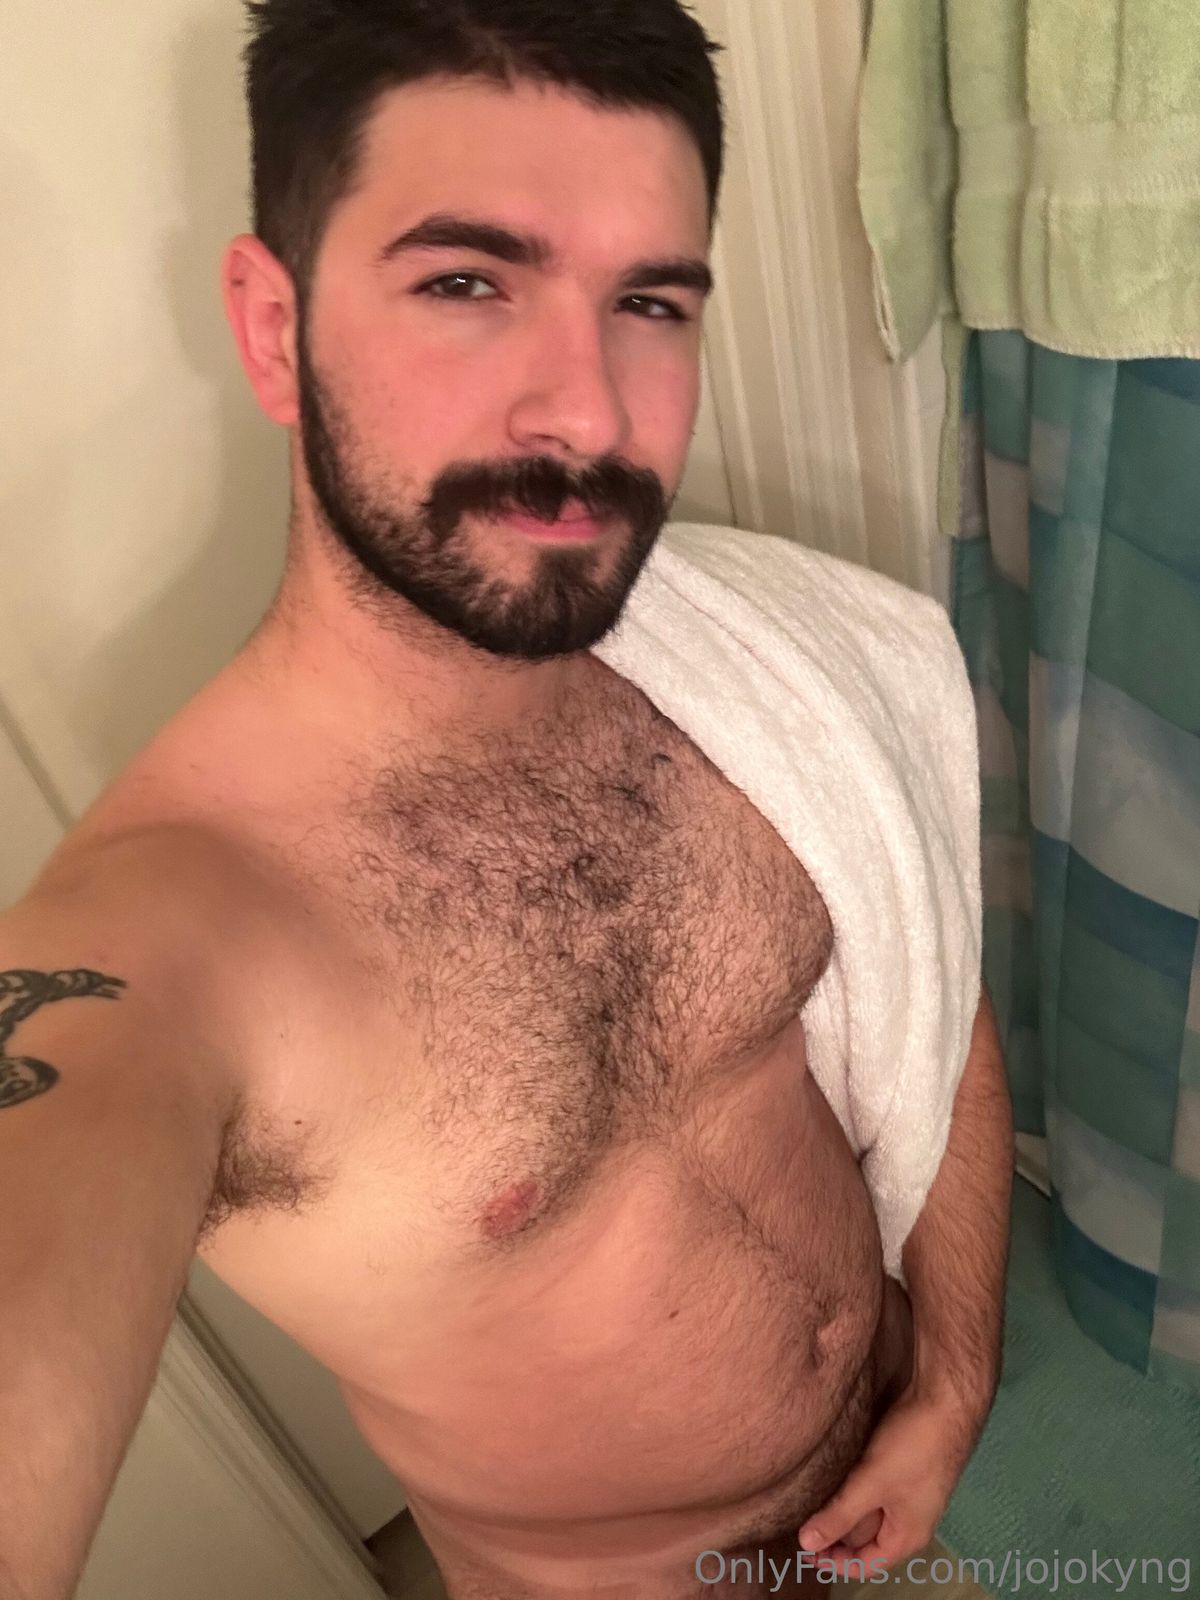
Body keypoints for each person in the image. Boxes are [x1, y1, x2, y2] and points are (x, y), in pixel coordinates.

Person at [0, 2, 1014, 1596]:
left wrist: (953, 1381)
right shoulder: (168, 947)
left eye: (649, 302)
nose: (591, 414)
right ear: (272, 329)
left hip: (903, 1495)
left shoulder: (758, 674)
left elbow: (931, 990)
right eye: (468, 282)